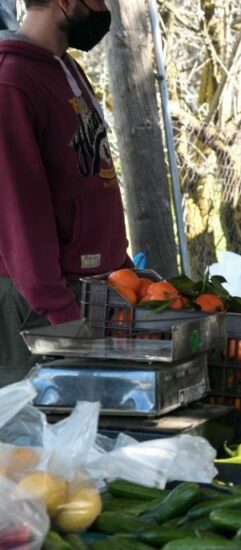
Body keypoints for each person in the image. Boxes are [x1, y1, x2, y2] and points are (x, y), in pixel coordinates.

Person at [0, 0, 131, 386]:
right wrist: (60, 312)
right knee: (33, 437)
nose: (103, 8)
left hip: (86, 290)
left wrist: (121, 269)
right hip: (36, 302)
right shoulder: (11, 82)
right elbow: (17, 214)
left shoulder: (65, 66)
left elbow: (92, 177)